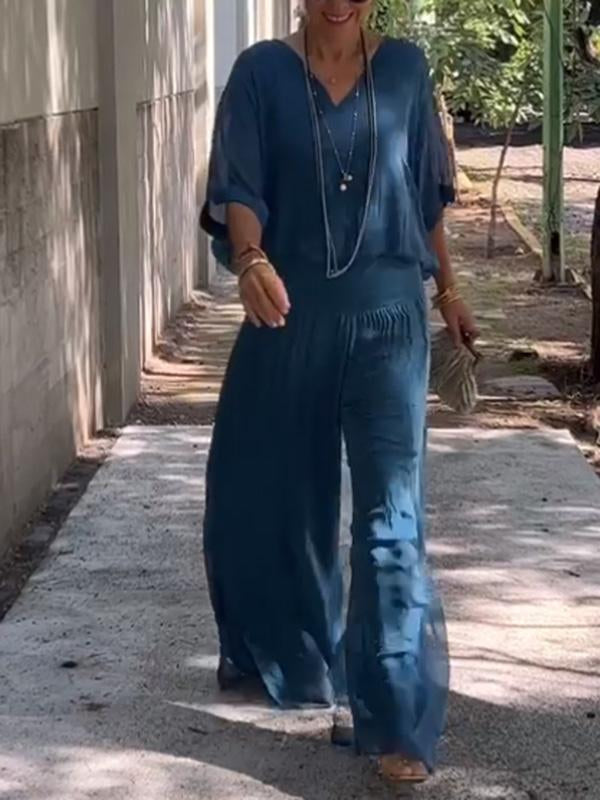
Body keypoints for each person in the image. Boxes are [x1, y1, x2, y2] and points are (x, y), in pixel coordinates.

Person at [200, 0, 479, 785]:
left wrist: (450, 293)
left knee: (391, 520)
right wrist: (250, 258)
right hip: (287, 317)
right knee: (274, 501)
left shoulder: (407, 70)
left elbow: (423, 198)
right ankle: (295, 652)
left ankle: (394, 718)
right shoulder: (260, 73)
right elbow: (240, 185)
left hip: (390, 323)